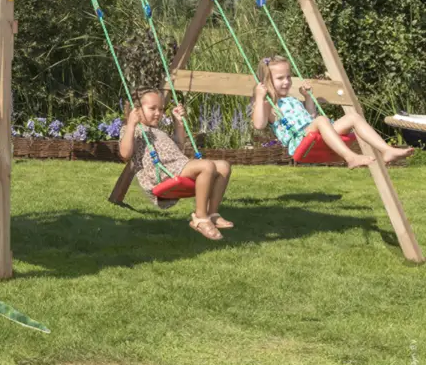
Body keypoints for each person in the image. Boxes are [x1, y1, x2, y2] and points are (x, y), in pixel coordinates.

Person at [251, 55, 414, 168]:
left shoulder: (292, 99)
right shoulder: (269, 104)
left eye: (288, 77)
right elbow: (259, 124)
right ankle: (350, 157)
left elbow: (311, 117)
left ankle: (387, 150)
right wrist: (259, 98)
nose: (286, 82)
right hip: (299, 140)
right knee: (321, 120)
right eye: (280, 78)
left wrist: (308, 98)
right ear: (266, 81)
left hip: (315, 132)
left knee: (353, 117)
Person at [120, 88, 233, 241]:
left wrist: (178, 123)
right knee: (207, 166)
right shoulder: (132, 130)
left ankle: (212, 213)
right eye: (152, 108)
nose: (158, 113)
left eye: (160, 109)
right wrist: (132, 124)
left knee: (224, 166)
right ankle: (200, 218)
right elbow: (125, 154)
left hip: (178, 165)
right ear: (136, 110)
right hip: (161, 172)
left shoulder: (158, 132)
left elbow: (178, 146)